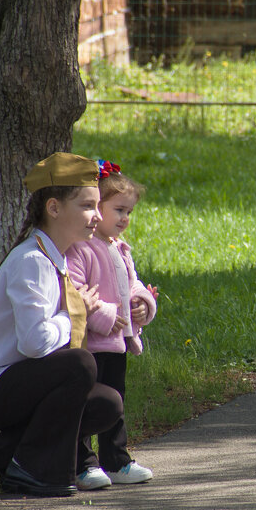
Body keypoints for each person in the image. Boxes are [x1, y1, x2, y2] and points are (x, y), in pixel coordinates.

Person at [0, 152, 124, 497]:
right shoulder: (32, 261)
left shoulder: (53, 257)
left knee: (106, 403)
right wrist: (75, 315)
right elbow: (34, 343)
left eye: (97, 206)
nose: (98, 216)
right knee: (79, 364)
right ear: (54, 208)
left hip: (16, 381)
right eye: (88, 206)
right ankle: (33, 470)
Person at [66, 160, 158, 489]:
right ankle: (81, 464)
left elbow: (132, 284)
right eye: (118, 209)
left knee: (116, 402)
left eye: (128, 212)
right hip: (90, 344)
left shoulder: (119, 249)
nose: (124, 219)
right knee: (87, 403)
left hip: (116, 343)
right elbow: (74, 294)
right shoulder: (80, 247)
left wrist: (142, 304)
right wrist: (105, 315)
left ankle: (116, 460)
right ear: (96, 208)